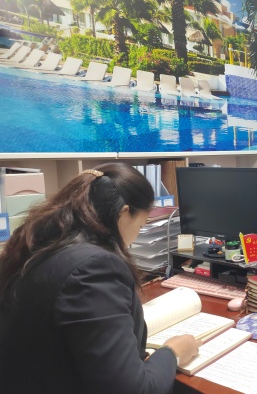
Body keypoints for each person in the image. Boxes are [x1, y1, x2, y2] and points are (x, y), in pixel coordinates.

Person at [0, 163, 199, 394]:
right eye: (141, 224)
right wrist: (172, 353)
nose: (135, 237)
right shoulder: (94, 268)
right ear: (124, 213)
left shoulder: (35, 244)